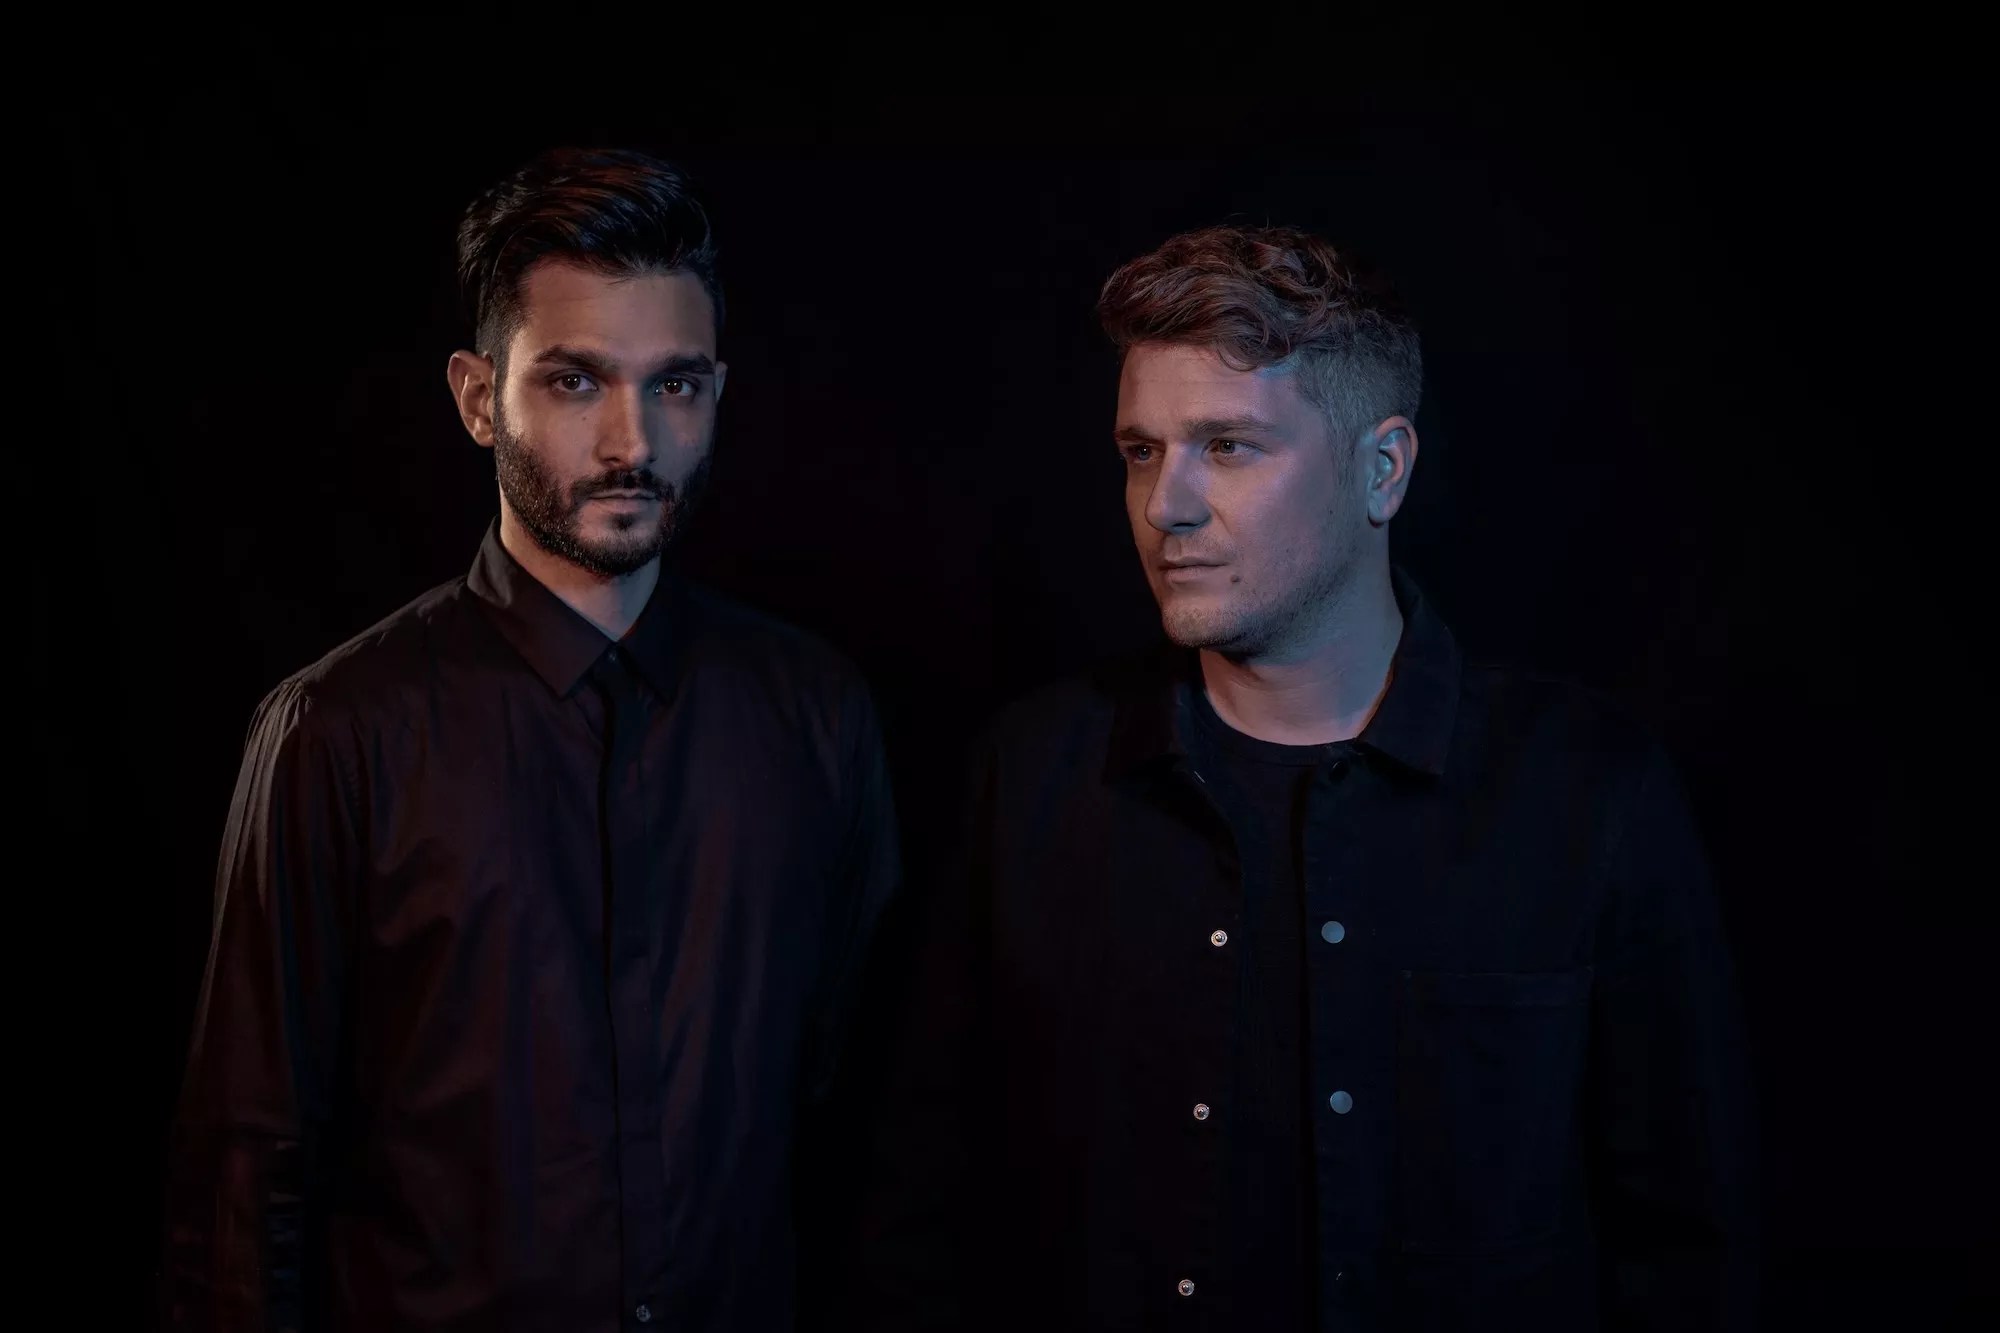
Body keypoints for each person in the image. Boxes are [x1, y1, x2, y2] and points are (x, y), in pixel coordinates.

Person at [884, 224, 1756, 1330]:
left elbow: (1688, 1247)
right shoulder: (1031, 776)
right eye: (1141, 450)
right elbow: (920, 1208)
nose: (1164, 505)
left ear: (1381, 470)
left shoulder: (1587, 795)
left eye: (1227, 447)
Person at [163, 148, 899, 1332]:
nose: (630, 442)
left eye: (675, 384)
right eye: (573, 382)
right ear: (475, 396)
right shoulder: (338, 732)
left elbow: (857, 1121)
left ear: (717, 391)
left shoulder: (815, 716)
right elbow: (248, 1172)